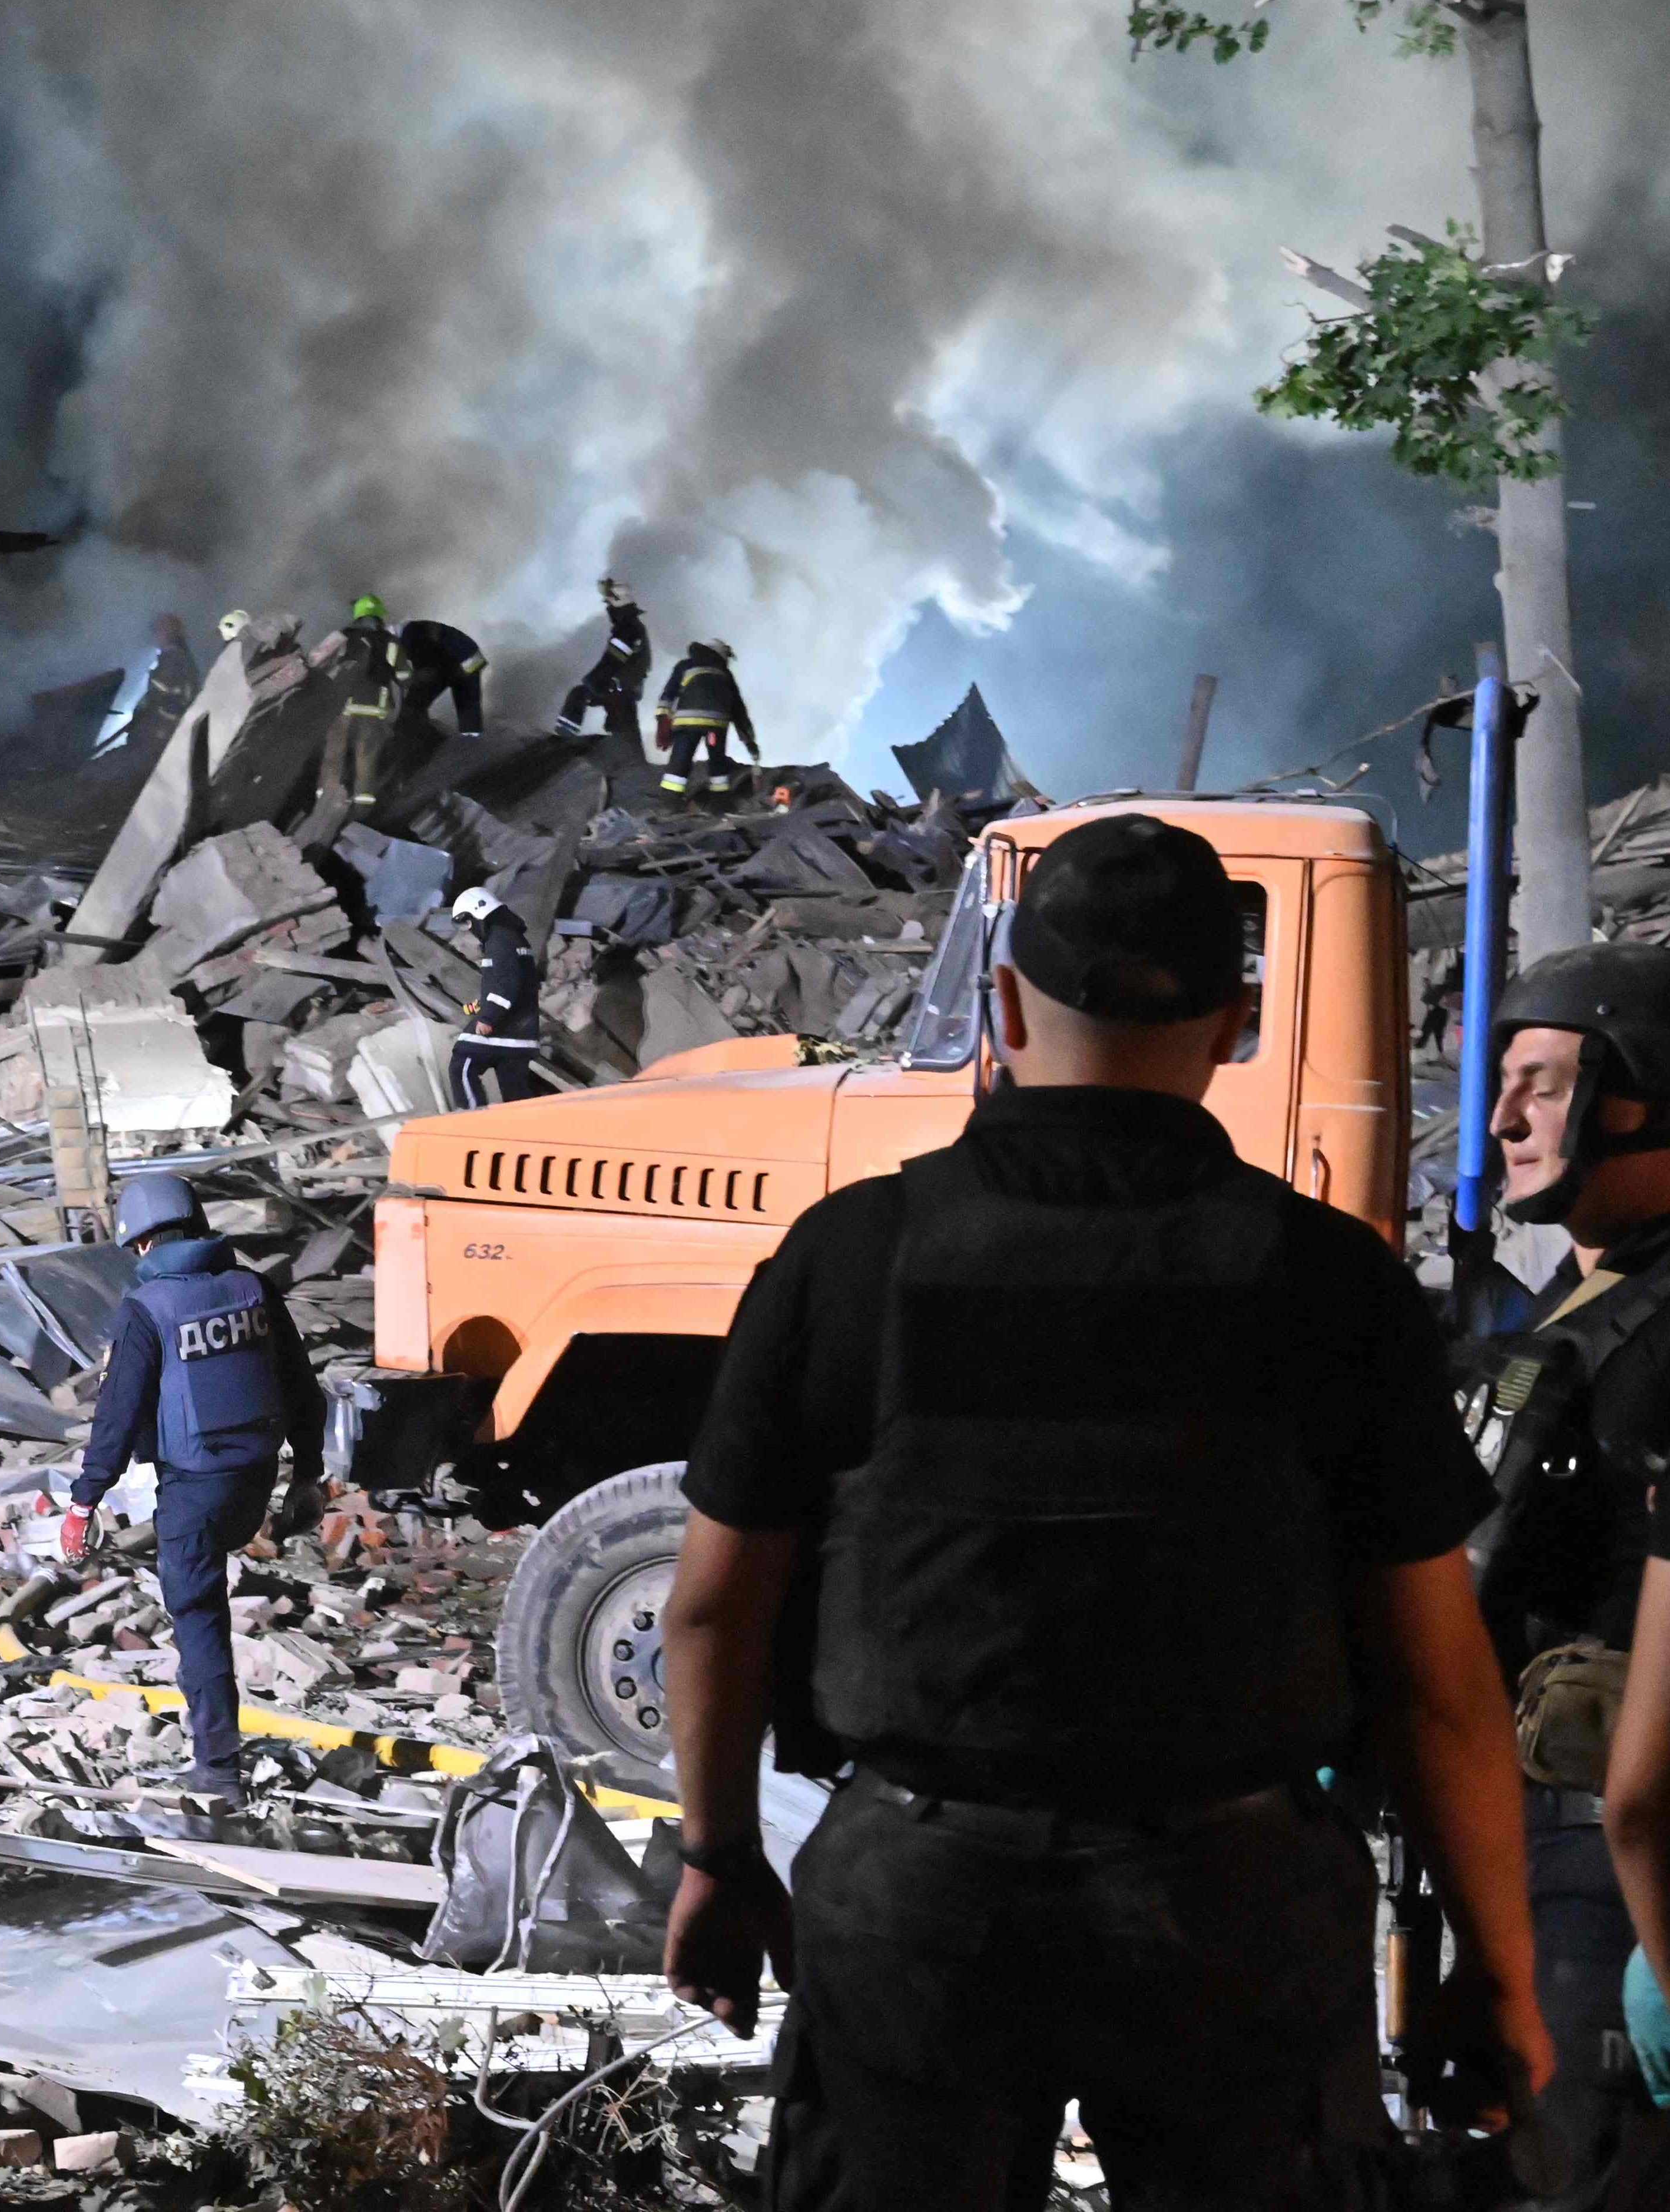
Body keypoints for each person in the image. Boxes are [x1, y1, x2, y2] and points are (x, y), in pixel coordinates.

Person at [660, 812, 1548, 2207]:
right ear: (1235, 1024)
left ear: (1001, 1003)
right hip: (1238, 1902)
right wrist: (1495, 1969)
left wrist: (716, 1856)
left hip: (917, 1896)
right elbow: (1438, 1678)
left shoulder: (851, 1255)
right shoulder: (1331, 1280)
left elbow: (713, 1605)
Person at [1464, 944, 1670, 2196]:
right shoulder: (1572, 1309)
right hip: (1544, 1862)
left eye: (1540, 1082)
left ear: (1640, 1093)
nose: (1501, 1118)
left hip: (1617, 1878)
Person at [58, 1175, 327, 1802]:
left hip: (193, 1487)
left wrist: (83, 1500)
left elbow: (117, 1414)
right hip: (256, 1477)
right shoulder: (253, 1287)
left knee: (199, 1617)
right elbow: (299, 1382)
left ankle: (216, 1769)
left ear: (141, 1240)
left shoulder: (148, 1308)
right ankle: (219, 1751)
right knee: (211, 1581)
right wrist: (309, 1473)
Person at [448, 885, 541, 1107]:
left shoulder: (500, 942)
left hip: (507, 1029)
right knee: (515, 1090)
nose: (469, 929)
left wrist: (488, 1018)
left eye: (468, 921)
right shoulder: (512, 938)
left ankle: (473, 1123)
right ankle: (530, 1133)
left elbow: (507, 985)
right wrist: (482, 1005)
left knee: (463, 1063)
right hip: (523, 1032)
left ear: (480, 914)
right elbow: (512, 984)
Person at [315, 593, 405, 820]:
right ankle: (361, 817)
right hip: (373, 712)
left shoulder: (342, 637)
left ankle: (323, 811)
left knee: (332, 759)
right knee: (366, 765)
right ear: (378, 616)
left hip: (341, 710)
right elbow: (405, 675)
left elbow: (319, 663)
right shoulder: (390, 642)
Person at [657, 639, 758, 806]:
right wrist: (749, 742)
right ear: (721, 654)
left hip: (687, 722)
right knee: (717, 762)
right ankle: (720, 805)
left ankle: (669, 804)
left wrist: (662, 722)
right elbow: (738, 710)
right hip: (716, 724)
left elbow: (668, 695)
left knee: (680, 761)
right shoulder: (725, 672)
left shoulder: (685, 665)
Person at [551, 577, 650, 738]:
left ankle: (565, 736)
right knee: (622, 723)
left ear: (617, 606)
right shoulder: (633, 626)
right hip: (625, 684)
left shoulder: (628, 629)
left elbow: (613, 660)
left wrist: (593, 681)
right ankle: (628, 751)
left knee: (582, 695)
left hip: (622, 685)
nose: (608, 609)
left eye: (609, 605)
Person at [122, 612, 203, 754]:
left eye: (157, 631)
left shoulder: (173, 661)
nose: (155, 636)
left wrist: (140, 720)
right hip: (164, 736)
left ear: (166, 633)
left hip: (156, 738)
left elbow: (158, 697)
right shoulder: (183, 660)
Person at [398, 618, 489, 739]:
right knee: (414, 705)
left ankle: (471, 742)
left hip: (464, 667)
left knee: (468, 712)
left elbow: (477, 661)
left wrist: (459, 673)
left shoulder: (456, 641)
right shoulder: (413, 635)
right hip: (443, 666)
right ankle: (412, 735)